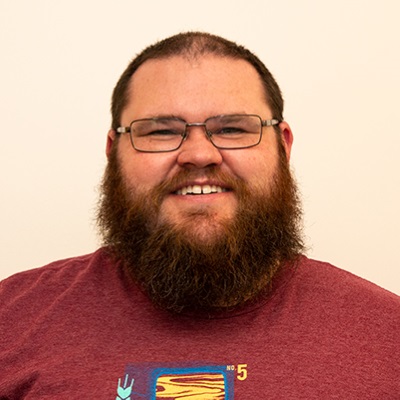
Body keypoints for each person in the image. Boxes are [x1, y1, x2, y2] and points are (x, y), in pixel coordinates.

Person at [0, 32, 399, 399]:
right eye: (160, 132)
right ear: (113, 152)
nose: (199, 154)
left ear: (283, 145)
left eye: (232, 129)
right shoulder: (11, 320)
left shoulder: (388, 335)